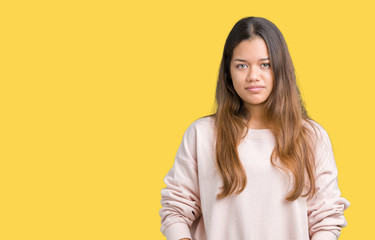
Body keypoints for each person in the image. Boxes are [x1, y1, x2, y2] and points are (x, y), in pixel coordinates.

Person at [159, 16, 349, 240]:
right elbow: (175, 210)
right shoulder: (202, 134)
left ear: (280, 68)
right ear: (229, 72)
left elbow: (326, 219)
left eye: (265, 64)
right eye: (242, 65)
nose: (253, 76)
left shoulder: (311, 136)